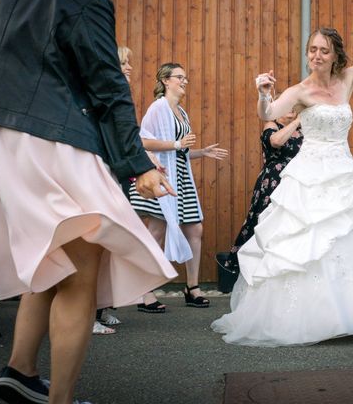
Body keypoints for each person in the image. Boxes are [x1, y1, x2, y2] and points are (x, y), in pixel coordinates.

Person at [0, 0, 178, 402]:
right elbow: (109, 88)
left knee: (52, 257)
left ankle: (21, 370)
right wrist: (140, 166)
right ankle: (62, 400)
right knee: (81, 269)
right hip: (53, 138)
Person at [212, 12, 353, 346]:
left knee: (347, 236)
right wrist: (264, 93)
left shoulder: (348, 78)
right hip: (309, 172)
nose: (317, 55)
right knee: (306, 238)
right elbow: (267, 115)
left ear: (335, 54)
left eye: (324, 50)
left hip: (341, 168)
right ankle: (309, 318)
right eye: (312, 50)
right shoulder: (300, 90)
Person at [129, 63, 229, 312]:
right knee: (156, 233)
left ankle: (191, 287)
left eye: (186, 77)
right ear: (165, 80)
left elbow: (180, 151)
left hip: (182, 179)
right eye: (179, 77)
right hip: (161, 178)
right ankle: (145, 293)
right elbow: (142, 141)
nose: (185, 81)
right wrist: (176, 144)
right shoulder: (158, 107)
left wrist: (201, 152)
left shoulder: (181, 112)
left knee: (195, 229)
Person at [225, 106, 303, 276]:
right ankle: (255, 267)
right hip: (274, 181)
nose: (291, 109)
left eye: (294, 108)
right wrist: (297, 121)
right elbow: (276, 142)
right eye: (287, 106)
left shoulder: (303, 131)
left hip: (297, 183)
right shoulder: (272, 126)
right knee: (266, 222)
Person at [91, 45, 135, 336]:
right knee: (97, 244)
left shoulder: (121, 93)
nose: (130, 67)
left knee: (110, 246)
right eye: (125, 62)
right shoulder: (104, 94)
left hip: (119, 175)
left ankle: (102, 307)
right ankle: (87, 314)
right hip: (102, 172)